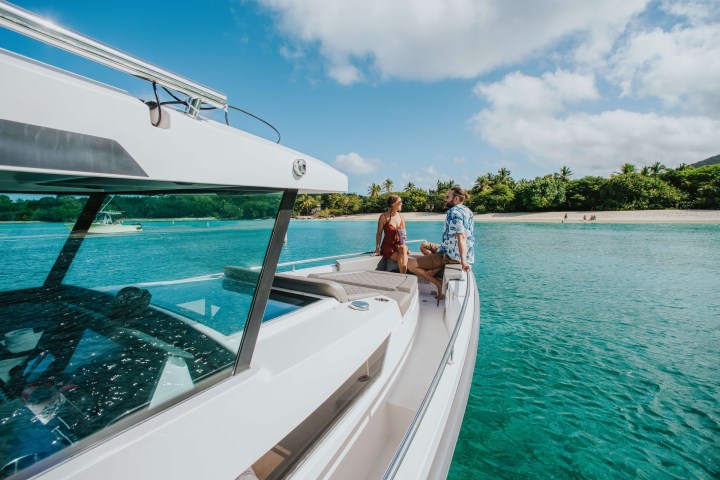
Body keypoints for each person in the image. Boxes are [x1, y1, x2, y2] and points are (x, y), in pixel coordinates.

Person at [407, 186, 474, 299]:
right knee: (424, 245)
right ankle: (436, 268)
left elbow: (461, 237)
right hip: (453, 250)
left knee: (410, 265)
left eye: (448, 197)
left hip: (449, 256)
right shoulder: (468, 211)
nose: (445, 199)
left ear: (456, 199)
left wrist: (463, 262)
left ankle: (438, 284)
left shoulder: (453, 213)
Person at [372, 195, 409, 273]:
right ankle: (404, 276)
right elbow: (379, 233)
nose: (402, 204)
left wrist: (404, 236)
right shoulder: (383, 217)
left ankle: (403, 276)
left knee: (404, 248)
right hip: (388, 247)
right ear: (393, 204)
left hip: (399, 245)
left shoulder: (401, 217)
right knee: (407, 261)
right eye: (400, 202)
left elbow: (404, 233)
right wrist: (377, 248)